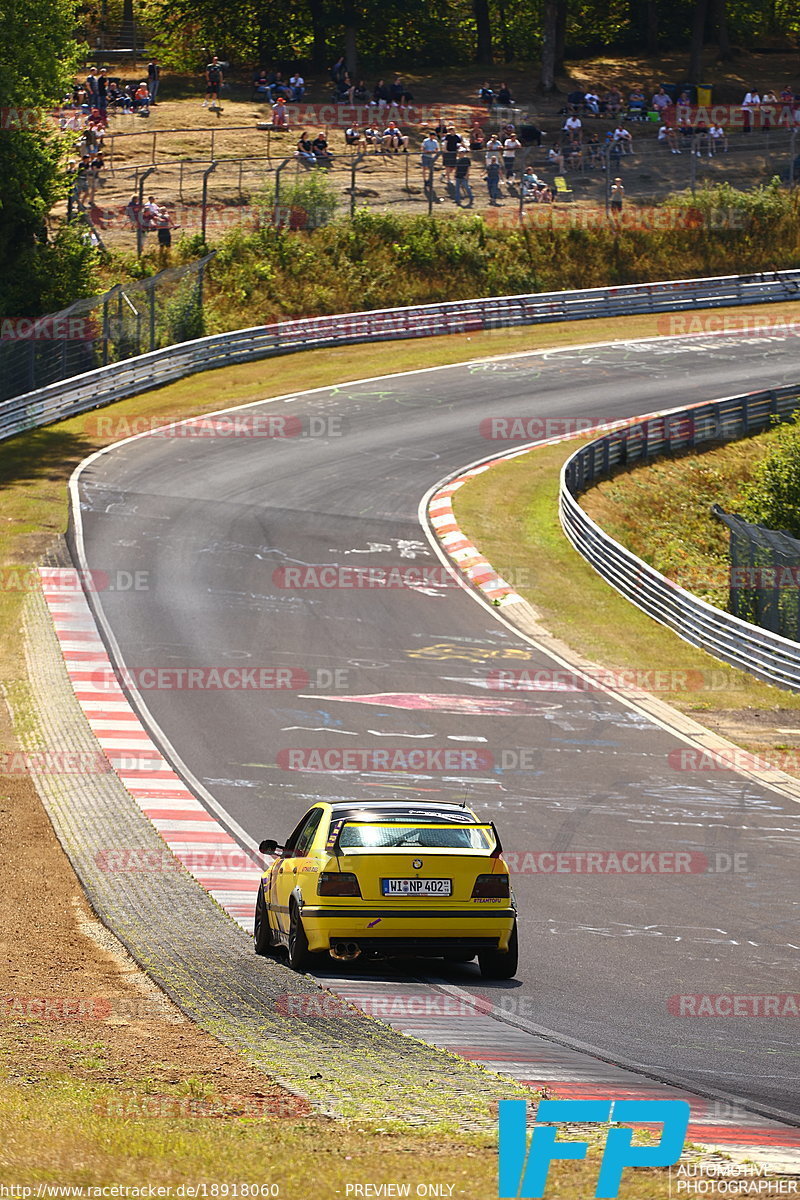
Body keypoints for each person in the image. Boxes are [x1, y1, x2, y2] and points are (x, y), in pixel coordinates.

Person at [420, 128, 439, 194]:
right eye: (432, 136)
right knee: (424, 168)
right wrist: (425, 151)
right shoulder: (425, 141)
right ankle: (425, 180)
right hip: (425, 156)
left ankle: (429, 180)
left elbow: (437, 149)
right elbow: (422, 148)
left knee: (431, 169)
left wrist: (434, 151)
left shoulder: (435, 142)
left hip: (431, 156)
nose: (433, 137)